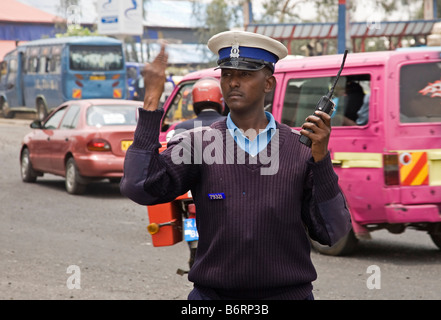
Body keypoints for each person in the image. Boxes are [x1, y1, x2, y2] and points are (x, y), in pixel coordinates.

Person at [120, 30, 352, 300]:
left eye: (245, 74)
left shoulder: (301, 149)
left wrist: (321, 160)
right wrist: (151, 101)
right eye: (227, 74)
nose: (233, 83)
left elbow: (333, 231)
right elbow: (139, 187)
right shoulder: (197, 144)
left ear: (268, 84)